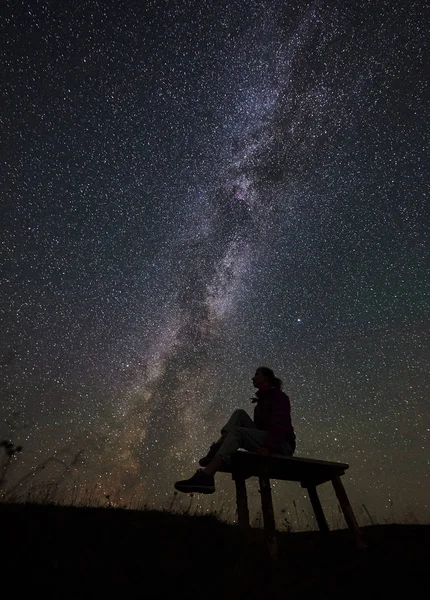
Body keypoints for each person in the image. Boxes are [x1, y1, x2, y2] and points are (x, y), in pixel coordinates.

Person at [174, 366, 295, 494]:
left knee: (237, 432)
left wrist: (268, 448)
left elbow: (279, 425)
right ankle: (216, 449)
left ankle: (206, 476)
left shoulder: (279, 396)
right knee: (240, 414)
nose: (253, 378)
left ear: (266, 377)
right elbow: (259, 430)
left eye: (257, 374)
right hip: (268, 439)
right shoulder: (260, 404)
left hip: (282, 445)